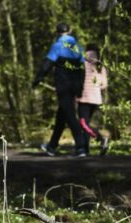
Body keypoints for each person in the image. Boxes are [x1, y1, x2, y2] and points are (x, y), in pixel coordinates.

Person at [32, 23, 87, 157]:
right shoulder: (77, 47)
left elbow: (46, 65)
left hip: (63, 86)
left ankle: (81, 147)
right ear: (70, 30)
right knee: (61, 116)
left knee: (70, 116)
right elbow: (82, 70)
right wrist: (80, 87)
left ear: (57, 32)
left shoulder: (57, 46)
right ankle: (52, 147)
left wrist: (37, 80)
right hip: (74, 86)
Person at [76, 44, 110, 156]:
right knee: (86, 124)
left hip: (84, 98)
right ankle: (85, 150)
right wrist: (95, 87)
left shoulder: (82, 65)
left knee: (83, 124)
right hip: (95, 99)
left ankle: (101, 138)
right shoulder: (100, 66)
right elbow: (104, 85)